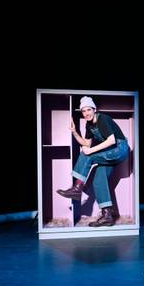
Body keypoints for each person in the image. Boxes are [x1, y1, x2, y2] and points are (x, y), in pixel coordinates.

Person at [56, 96, 130, 227]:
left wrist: (90, 151)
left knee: (88, 155)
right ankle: (107, 216)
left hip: (120, 148)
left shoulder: (102, 119)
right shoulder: (89, 125)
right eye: (83, 111)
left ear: (94, 109)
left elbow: (111, 140)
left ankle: (77, 188)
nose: (86, 113)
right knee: (98, 180)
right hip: (109, 153)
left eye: (89, 110)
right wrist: (74, 132)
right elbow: (86, 143)